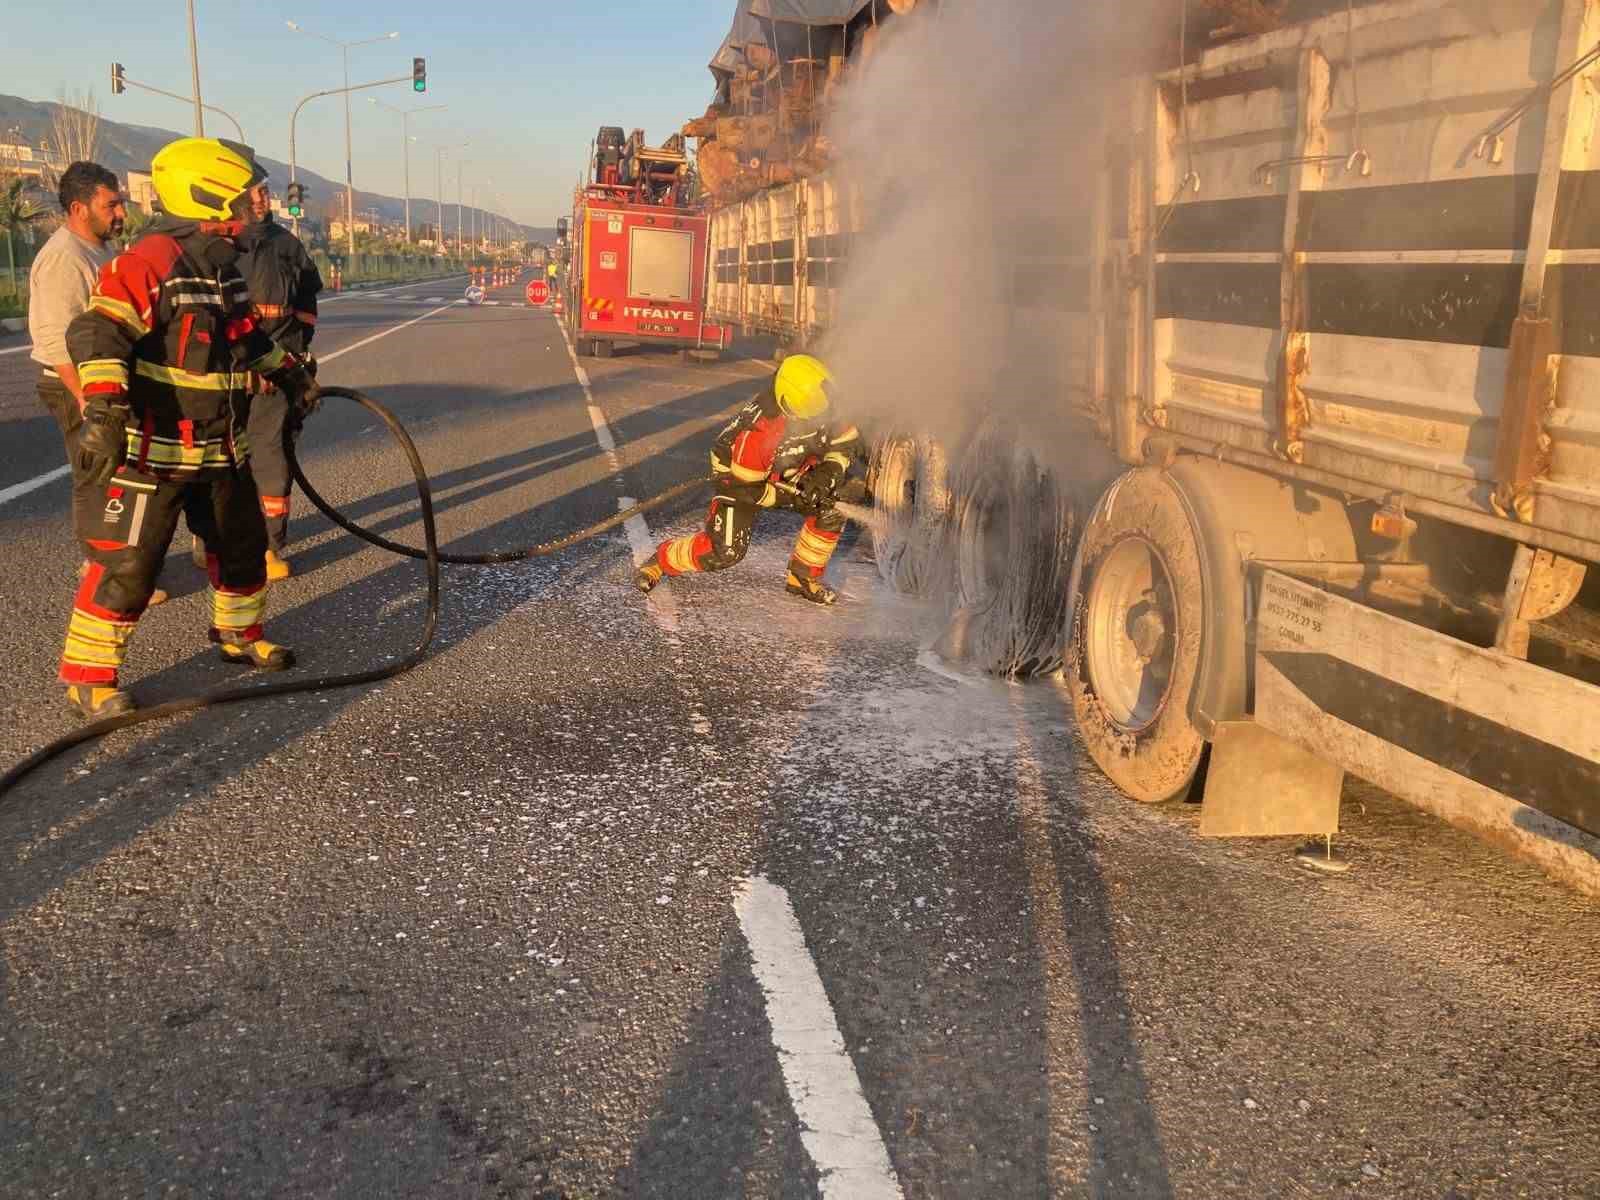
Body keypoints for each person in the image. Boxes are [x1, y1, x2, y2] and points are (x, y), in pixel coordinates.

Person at [58, 137, 318, 719]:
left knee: (242, 547)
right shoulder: (150, 262)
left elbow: (245, 339)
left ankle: (239, 636)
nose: (263, 206)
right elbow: (97, 334)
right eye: (253, 196)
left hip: (221, 450)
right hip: (155, 453)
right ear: (212, 201)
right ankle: (89, 679)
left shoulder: (223, 272)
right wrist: (101, 413)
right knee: (129, 563)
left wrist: (293, 376)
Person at [27, 162, 168, 606]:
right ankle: (101, 572)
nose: (121, 212)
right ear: (78, 208)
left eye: (120, 202)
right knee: (94, 472)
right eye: (111, 205)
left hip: (107, 382)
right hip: (76, 384)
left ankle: (115, 563)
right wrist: (90, 403)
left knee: (116, 472)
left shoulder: (99, 251)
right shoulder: (64, 258)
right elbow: (58, 340)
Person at [635, 353, 860, 606]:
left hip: (790, 469)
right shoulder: (758, 432)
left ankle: (803, 577)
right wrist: (795, 493)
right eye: (815, 418)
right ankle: (663, 560)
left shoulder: (825, 402)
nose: (824, 422)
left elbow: (846, 442)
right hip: (739, 480)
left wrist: (827, 473)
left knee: (838, 498)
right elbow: (749, 491)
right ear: (791, 407)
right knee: (725, 552)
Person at [234, 176, 322, 580]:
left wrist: (295, 359)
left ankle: (270, 547)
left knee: (272, 457)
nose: (262, 198)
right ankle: (212, 536)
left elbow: (306, 303)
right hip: (229, 376)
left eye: (265, 191)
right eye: (255, 191)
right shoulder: (218, 246)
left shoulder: (286, 244)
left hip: (278, 375)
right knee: (221, 459)